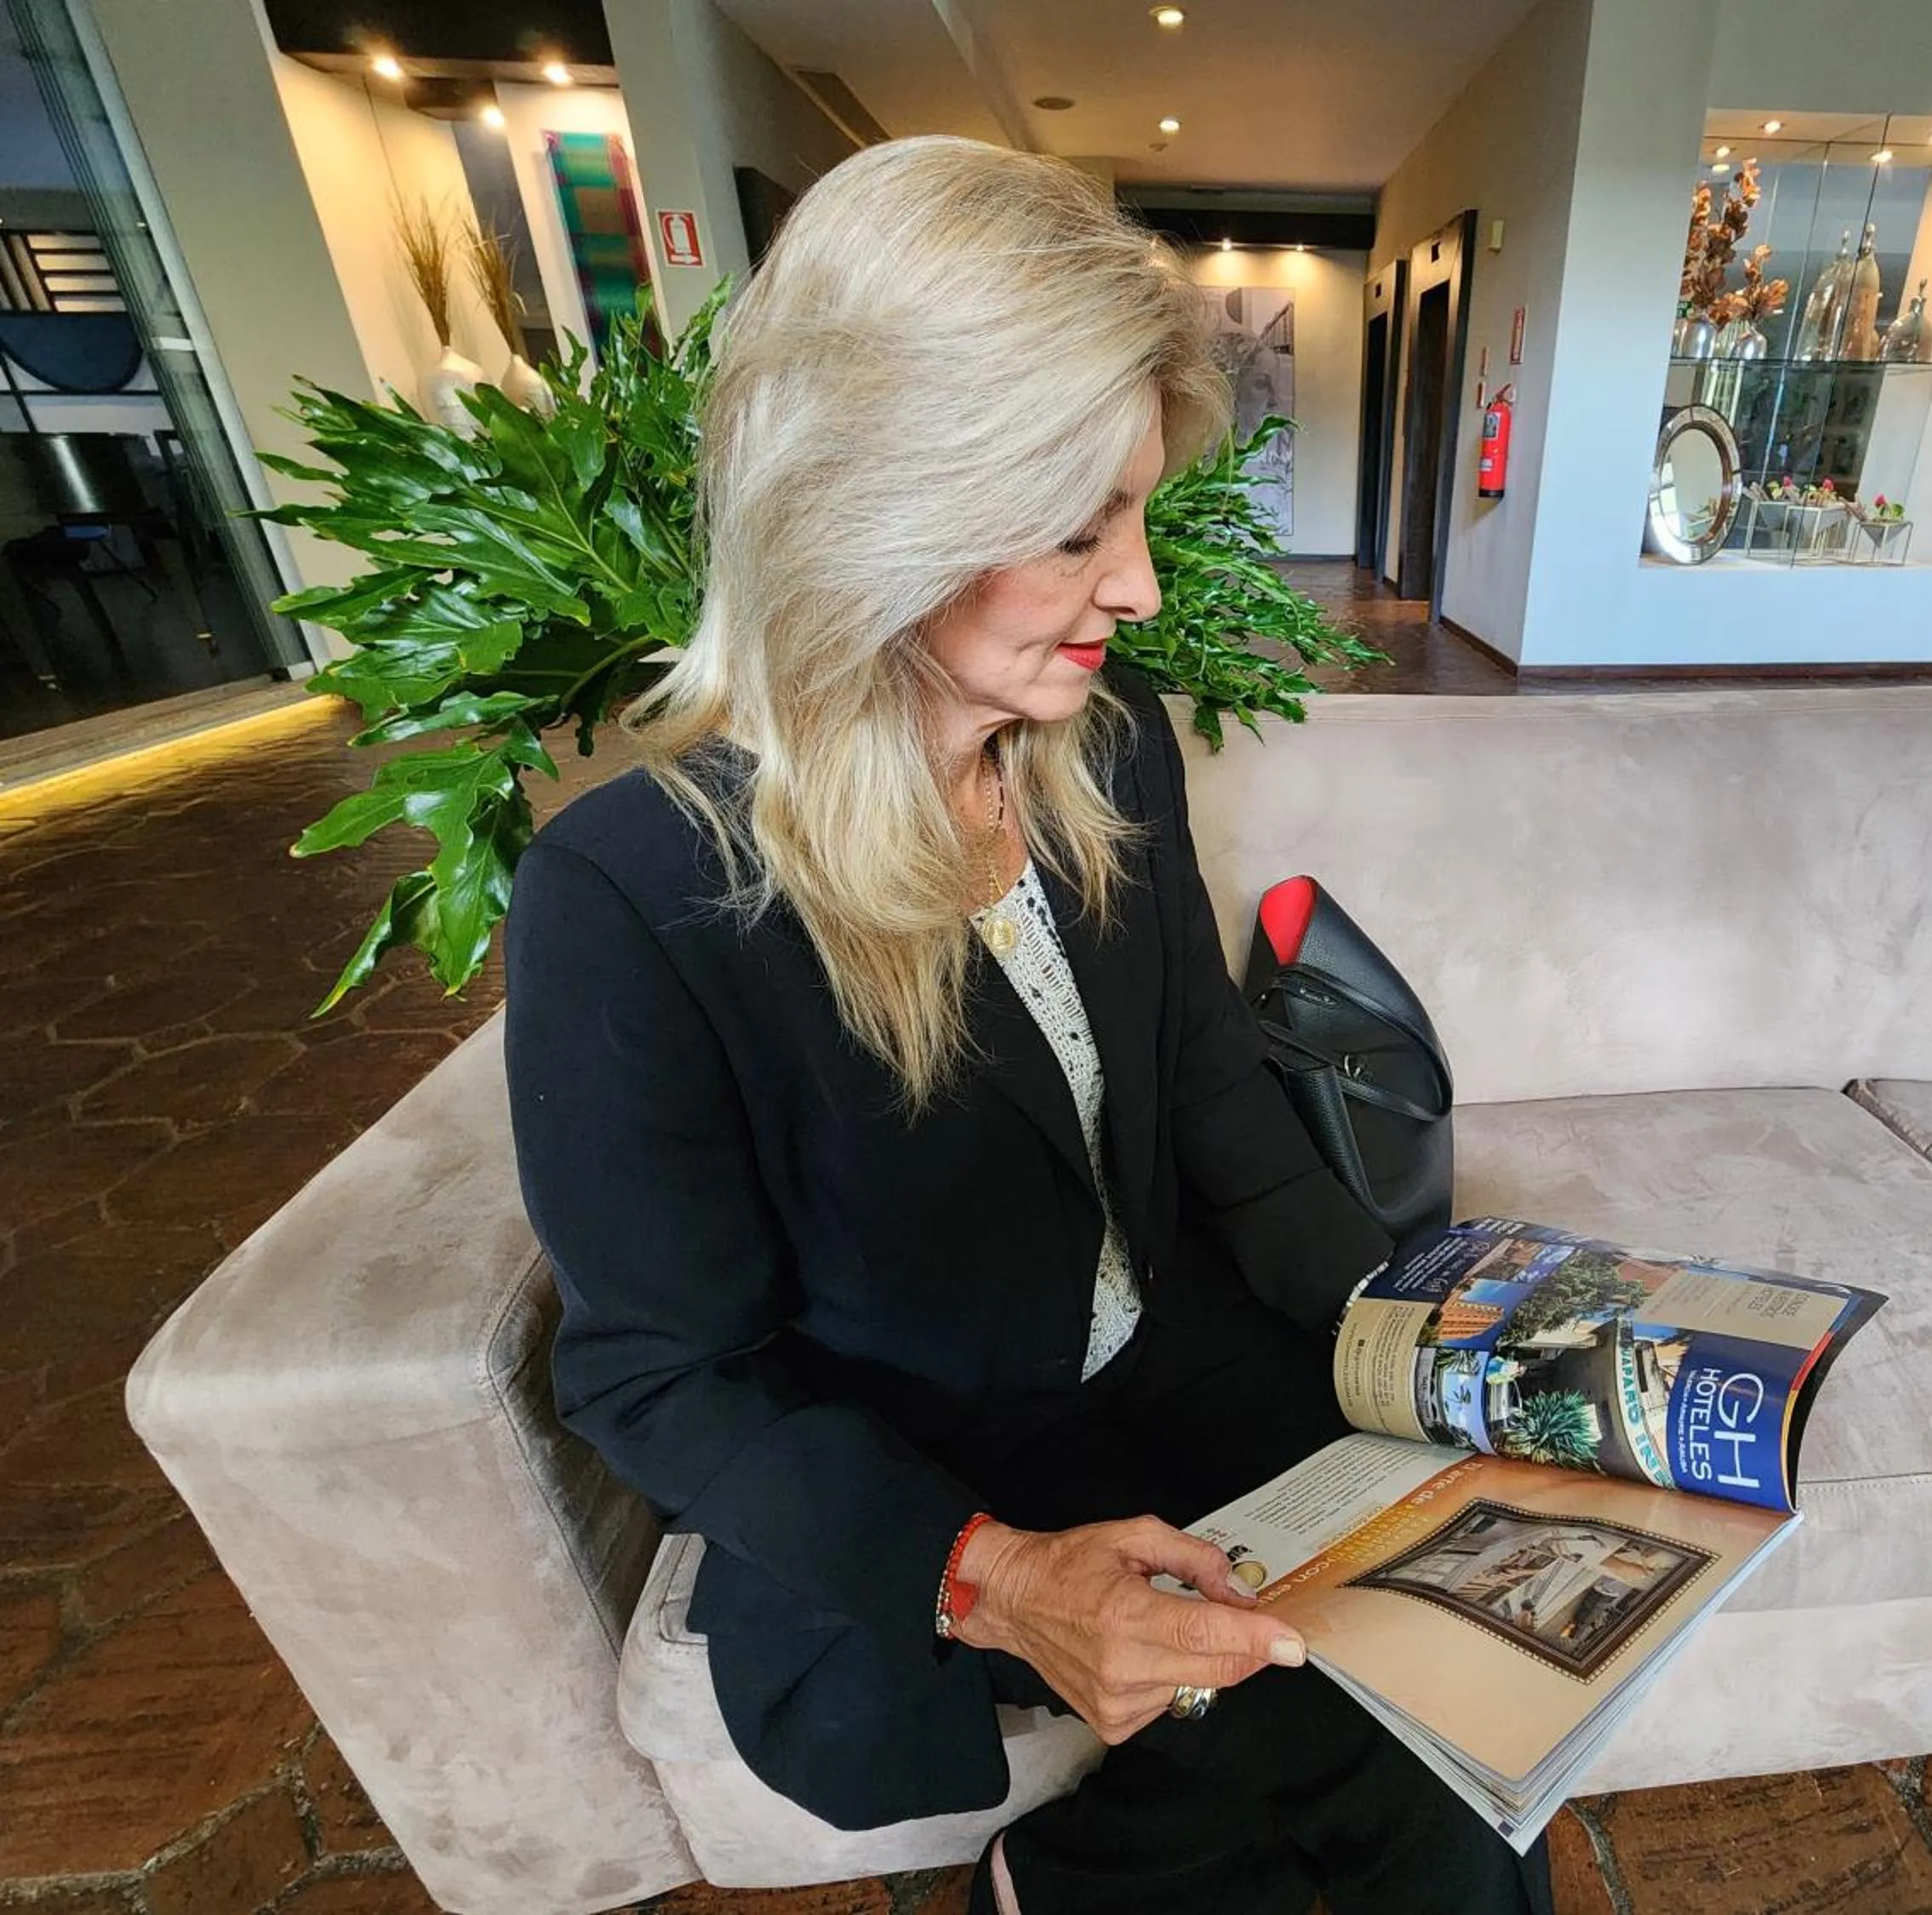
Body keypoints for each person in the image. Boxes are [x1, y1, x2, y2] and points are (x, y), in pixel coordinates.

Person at [501, 137, 1554, 1915]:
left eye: (1132, 518)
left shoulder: (1105, 748)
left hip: (1177, 1354)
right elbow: (655, 1375)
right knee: (1341, 1747)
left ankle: (1073, 1876)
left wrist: (1419, 1335)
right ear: (876, 513)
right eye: (1080, 531)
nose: (1139, 590)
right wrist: (988, 1577)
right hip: (918, 1452)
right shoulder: (633, 892)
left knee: (1462, 1729)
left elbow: (1216, 1100)